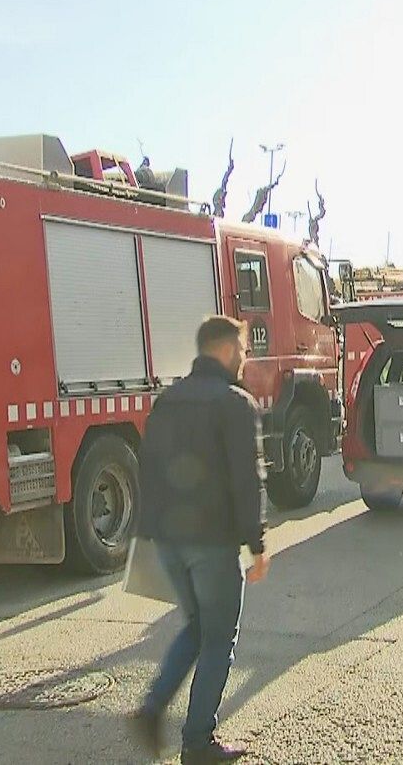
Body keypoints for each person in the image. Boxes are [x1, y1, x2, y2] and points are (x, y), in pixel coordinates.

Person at [132, 316, 268, 764]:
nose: (245, 359)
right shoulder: (235, 403)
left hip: (169, 541)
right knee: (218, 638)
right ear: (228, 350)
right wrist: (257, 544)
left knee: (197, 626)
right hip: (212, 542)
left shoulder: (167, 399)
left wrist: (148, 532)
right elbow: (246, 481)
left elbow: (147, 469)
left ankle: (152, 708)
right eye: (244, 350)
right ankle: (197, 742)